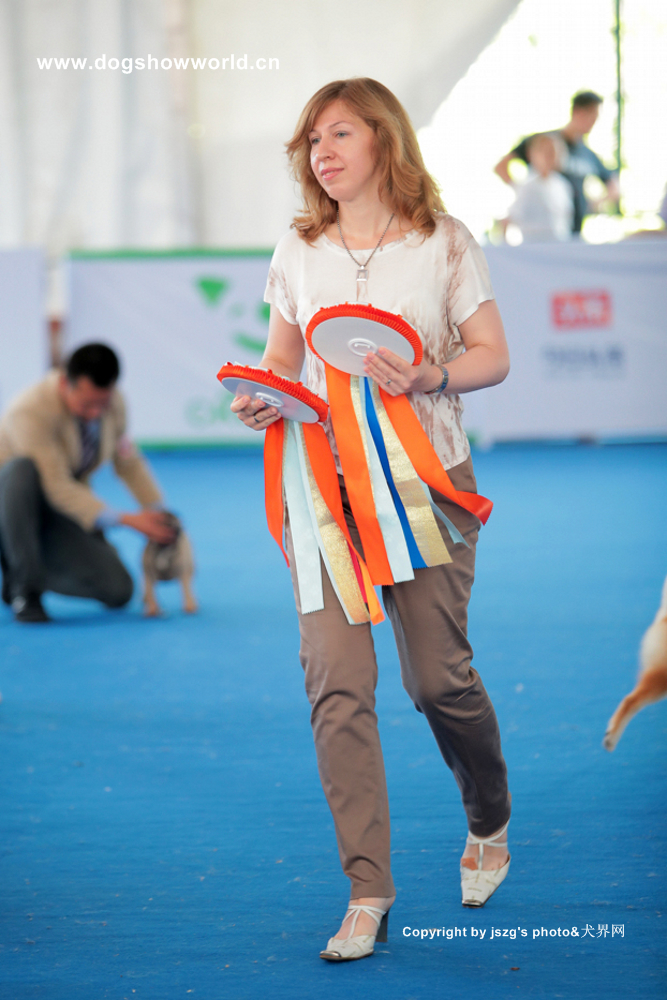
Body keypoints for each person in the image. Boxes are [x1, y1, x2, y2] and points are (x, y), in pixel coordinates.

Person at [232, 78, 512, 962]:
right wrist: (265, 398)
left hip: (426, 487)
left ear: (384, 140)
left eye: (339, 134)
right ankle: (367, 889)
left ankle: (488, 815)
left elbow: (492, 356)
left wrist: (431, 376)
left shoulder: (445, 241)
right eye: (312, 140)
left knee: (438, 683)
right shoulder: (297, 246)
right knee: (335, 685)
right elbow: (283, 361)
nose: (321, 152)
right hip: (324, 494)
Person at [0, 343, 175, 623]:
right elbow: (55, 485)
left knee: (118, 590)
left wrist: (159, 513)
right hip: (12, 506)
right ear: (64, 383)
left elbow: (128, 461)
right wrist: (127, 520)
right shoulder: (29, 410)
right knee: (21, 471)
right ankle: (24, 587)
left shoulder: (113, 402)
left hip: (59, 509)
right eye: (86, 405)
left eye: (101, 404)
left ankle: (27, 560)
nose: (95, 413)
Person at [495, 91, 620, 235]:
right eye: (592, 116)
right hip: (538, 233)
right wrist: (523, 191)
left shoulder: (588, 154)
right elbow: (501, 166)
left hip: (570, 231)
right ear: (578, 112)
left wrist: (593, 203)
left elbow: (613, 186)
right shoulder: (545, 142)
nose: (594, 122)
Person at [506, 132, 574, 242]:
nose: (549, 157)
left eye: (553, 152)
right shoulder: (526, 187)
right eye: (545, 152)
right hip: (534, 247)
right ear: (532, 154)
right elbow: (511, 219)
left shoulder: (563, 185)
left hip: (560, 245)